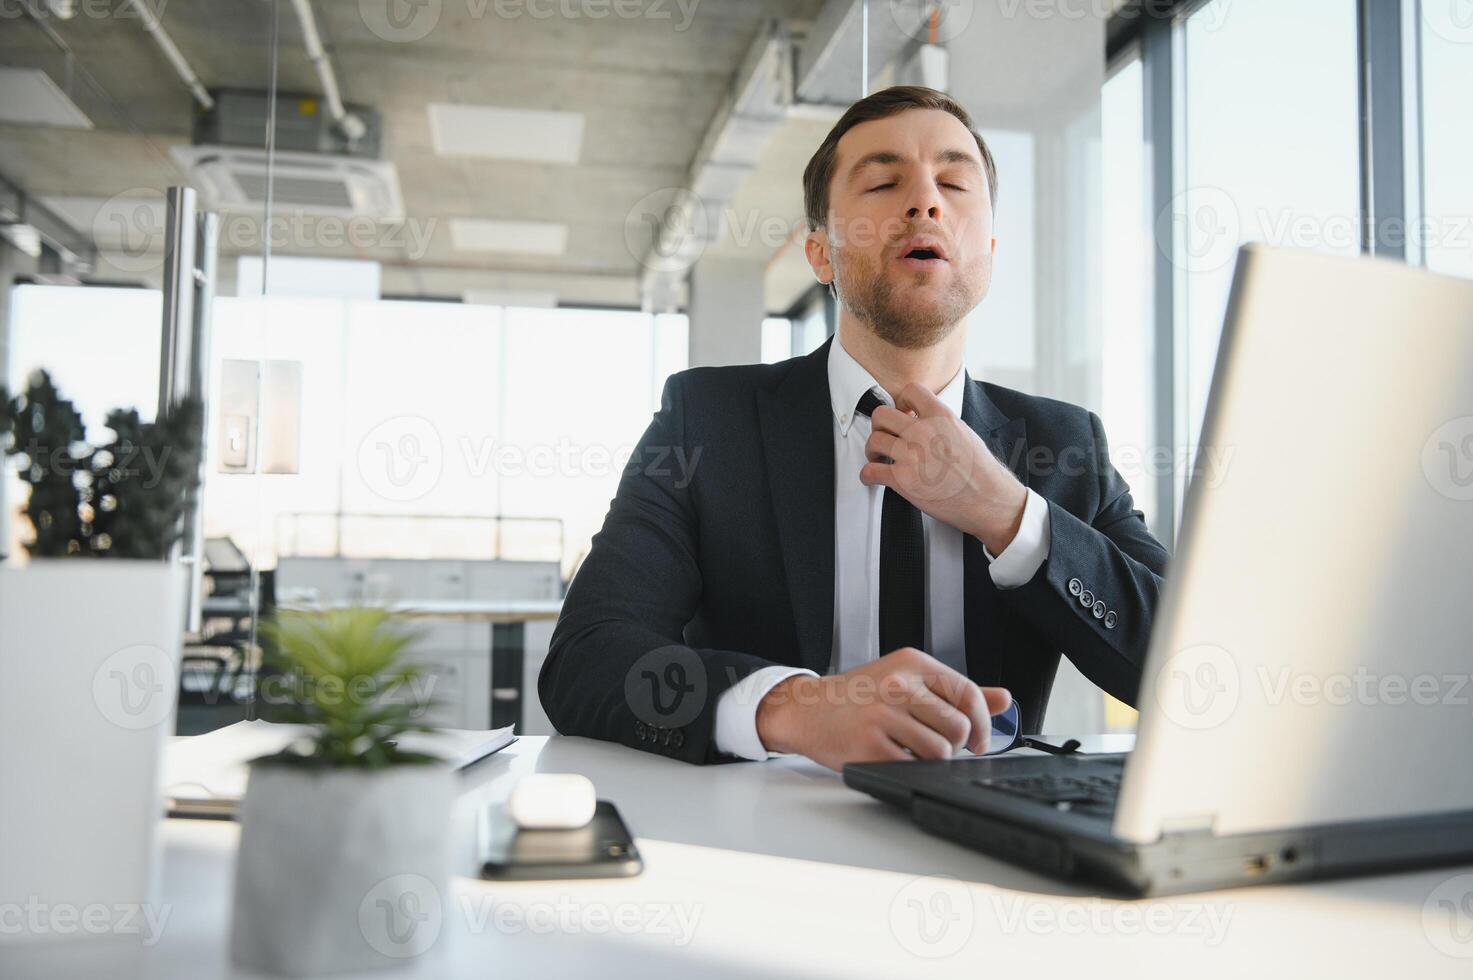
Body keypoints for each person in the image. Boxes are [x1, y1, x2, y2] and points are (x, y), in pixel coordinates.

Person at [539, 85, 1169, 770]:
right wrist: (795, 708)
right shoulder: (707, 420)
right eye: (882, 181)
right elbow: (588, 658)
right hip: (755, 840)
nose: (926, 201)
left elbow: (1189, 668)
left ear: (986, 248)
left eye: (955, 182)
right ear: (820, 254)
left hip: (996, 846)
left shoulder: (1066, 445)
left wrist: (1009, 516)